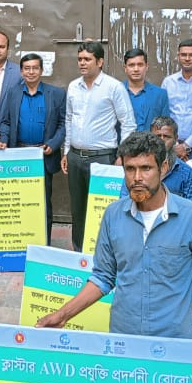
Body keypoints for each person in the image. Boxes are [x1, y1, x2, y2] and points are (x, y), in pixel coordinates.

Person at [37, 132, 192, 341]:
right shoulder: (113, 215)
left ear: (163, 168)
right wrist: (62, 315)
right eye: (130, 169)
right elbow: (103, 277)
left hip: (176, 340)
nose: (137, 177)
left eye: (146, 168)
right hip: (124, 339)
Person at [61, 42, 136, 251]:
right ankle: (78, 252)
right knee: (78, 209)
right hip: (76, 156)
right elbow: (69, 120)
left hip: (103, 158)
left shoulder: (113, 87)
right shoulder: (73, 86)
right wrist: (66, 151)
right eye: (80, 59)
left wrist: (122, 155)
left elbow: (128, 123)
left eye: (87, 59)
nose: (82, 63)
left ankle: (104, 253)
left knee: (104, 209)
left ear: (100, 61)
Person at [0, 53, 65, 244]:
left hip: (43, 156)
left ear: (42, 70)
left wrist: (53, 144)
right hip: (19, 156)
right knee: (19, 203)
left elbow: (63, 124)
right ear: (21, 71)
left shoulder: (56, 94)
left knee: (43, 203)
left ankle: (44, 244)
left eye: (35, 68)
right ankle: (20, 242)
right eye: (27, 68)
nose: (31, 72)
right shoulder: (13, 93)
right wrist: (3, 139)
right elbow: (6, 122)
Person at [121, 48, 170, 132]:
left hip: (151, 140)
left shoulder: (160, 94)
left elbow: (165, 126)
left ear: (146, 66)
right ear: (125, 68)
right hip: (123, 140)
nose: (136, 69)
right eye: (131, 65)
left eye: (140, 65)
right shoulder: (116, 93)